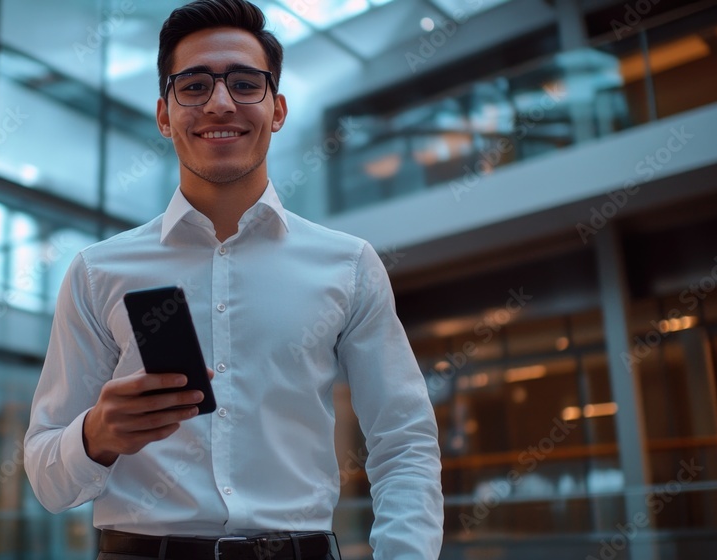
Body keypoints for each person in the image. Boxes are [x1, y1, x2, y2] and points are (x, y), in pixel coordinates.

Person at [23, 0, 443, 558]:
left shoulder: (349, 264)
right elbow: (47, 480)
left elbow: (404, 440)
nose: (221, 103)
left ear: (278, 109)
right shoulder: (98, 273)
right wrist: (96, 435)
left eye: (246, 83)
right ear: (164, 114)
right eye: (193, 86)